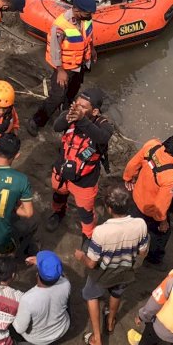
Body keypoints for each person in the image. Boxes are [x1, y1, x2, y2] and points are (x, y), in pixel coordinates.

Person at [74, 184, 149, 345]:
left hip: (103, 274)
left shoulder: (101, 231)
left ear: (108, 208)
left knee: (90, 295)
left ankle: (97, 337)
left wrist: (81, 257)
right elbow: (143, 252)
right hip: (125, 270)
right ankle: (110, 322)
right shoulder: (140, 224)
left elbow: (92, 263)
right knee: (116, 293)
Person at [123, 130, 173, 266]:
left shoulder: (152, 145)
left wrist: (128, 178)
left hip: (136, 195)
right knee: (162, 234)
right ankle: (153, 259)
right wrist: (162, 222)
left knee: (130, 226)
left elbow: (132, 165)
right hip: (150, 210)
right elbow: (160, 206)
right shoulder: (172, 177)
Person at [27, 0, 97, 136]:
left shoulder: (86, 20)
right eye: (87, 13)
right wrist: (60, 71)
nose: (90, 16)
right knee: (56, 96)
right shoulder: (60, 25)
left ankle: (65, 118)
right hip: (65, 67)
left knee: (72, 93)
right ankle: (37, 120)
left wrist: (93, 50)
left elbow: (88, 37)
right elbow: (55, 49)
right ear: (77, 11)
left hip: (80, 64)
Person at [47, 88, 113, 240]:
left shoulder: (104, 126)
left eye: (83, 107)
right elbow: (57, 127)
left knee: (85, 211)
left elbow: (102, 137)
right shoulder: (71, 116)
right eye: (77, 104)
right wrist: (68, 117)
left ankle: (88, 235)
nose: (78, 108)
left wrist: (82, 120)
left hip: (85, 180)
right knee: (58, 195)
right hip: (62, 170)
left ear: (95, 111)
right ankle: (58, 213)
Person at [12, 251, 71, 345]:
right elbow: (59, 275)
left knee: (12, 326)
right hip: (62, 329)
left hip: (38, 339)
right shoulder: (66, 284)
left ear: (37, 274)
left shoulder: (28, 299)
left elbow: (19, 328)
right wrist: (41, 264)